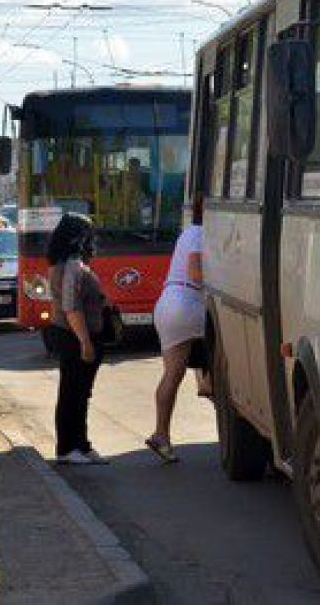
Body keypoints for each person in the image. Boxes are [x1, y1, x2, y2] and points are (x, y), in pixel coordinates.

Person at [44, 213, 109, 465]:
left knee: (80, 393)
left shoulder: (65, 262)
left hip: (73, 334)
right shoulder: (72, 265)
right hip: (74, 336)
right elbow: (72, 308)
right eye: (88, 234)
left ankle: (81, 445)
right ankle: (67, 449)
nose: (92, 240)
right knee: (73, 393)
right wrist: (85, 342)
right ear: (78, 237)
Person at [146, 195, 206, 464]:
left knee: (171, 374)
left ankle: (161, 433)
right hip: (188, 302)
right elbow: (195, 273)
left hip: (168, 301)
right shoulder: (200, 234)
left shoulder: (187, 232)